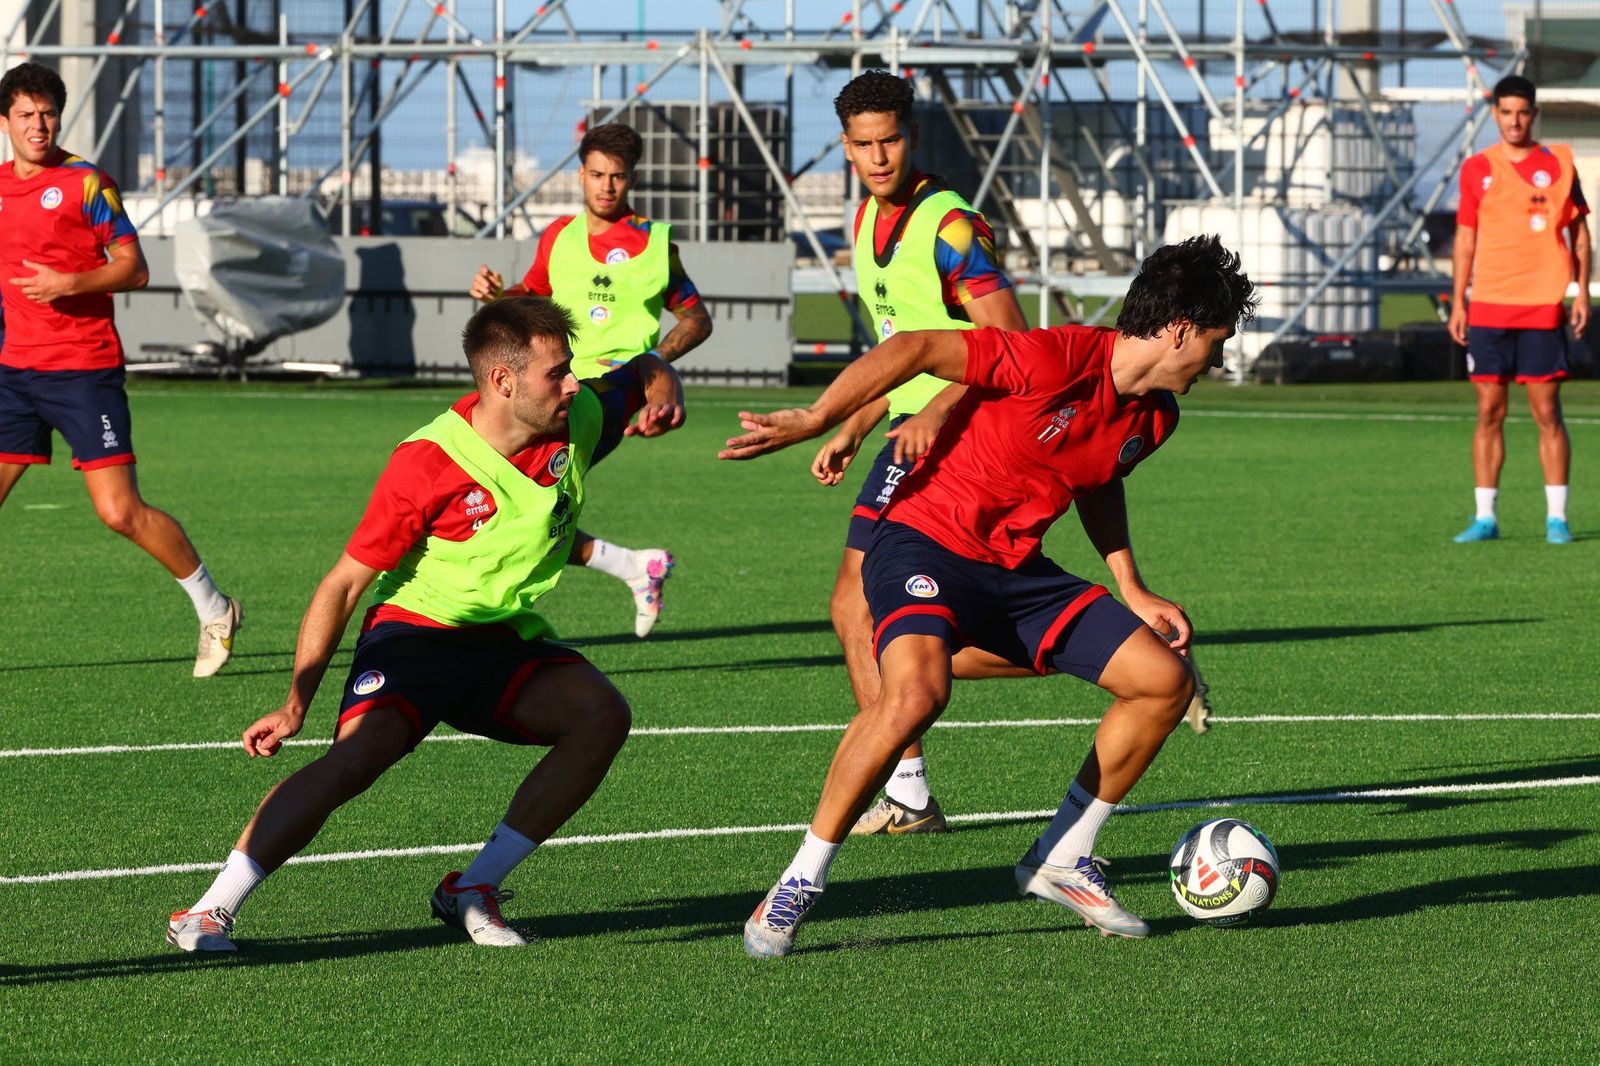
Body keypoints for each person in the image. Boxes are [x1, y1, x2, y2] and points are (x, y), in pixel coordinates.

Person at [721, 235, 1256, 956]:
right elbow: (912, 346)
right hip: (925, 540)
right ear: (1179, 330)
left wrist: (1131, 584)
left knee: (1163, 680)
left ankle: (1062, 858)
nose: (1216, 361)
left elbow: (1099, 478)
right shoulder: (1055, 355)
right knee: (913, 697)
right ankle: (797, 884)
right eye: (1216, 343)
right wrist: (820, 417)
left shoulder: (1156, 417)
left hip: (1017, 572)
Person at [166, 297, 685, 952]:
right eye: (557, 372)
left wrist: (666, 389)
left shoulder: (578, 415)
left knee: (602, 715)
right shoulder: (427, 463)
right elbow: (343, 583)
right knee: (356, 760)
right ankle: (208, 912)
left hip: (499, 638)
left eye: (571, 369)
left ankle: (473, 887)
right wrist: (296, 702)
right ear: (502, 381)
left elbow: (643, 371)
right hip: (415, 634)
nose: (574, 383)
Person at [814, 70, 1029, 836]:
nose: (878, 157)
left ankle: (1118, 648)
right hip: (911, 432)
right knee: (862, 607)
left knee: (868, 606)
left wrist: (940, 410)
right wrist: (857, 422)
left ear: (913, 135)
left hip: (963, 436)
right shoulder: (862, 224)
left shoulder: (951, 228)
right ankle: (906, 785)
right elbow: (905, 354)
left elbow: (1012, 349)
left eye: (891, 140)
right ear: (845, 146)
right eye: (863, 145)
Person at [0, 61, 241, 677]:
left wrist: (68, 282)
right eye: (25, 114)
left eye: (47, 113)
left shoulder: (87, 183)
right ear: (5, 121)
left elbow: (134, 269)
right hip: (14, 373)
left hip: (83, 370)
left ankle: (215, 607)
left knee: (119, 513)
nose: (38, 125)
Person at [469, 122, 713, 636]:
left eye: (618, 177)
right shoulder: (559, 236)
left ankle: (497, 622)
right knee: (511, 498)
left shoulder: (653, 242)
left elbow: (695, 318)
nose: (607, 186)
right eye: (597, 174)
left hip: (609, 392)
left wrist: (651, 364)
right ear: (580, 174)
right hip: (549, 386)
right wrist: (497, 296)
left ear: (632, 179)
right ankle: (632, 566)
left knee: (517, 498)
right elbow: (530, 294)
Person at [1448, 74, 1591, 545]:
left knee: (1546, 411)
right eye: (1506, 112)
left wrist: (1581, 292)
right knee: (1489, 409)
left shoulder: (1560, 164)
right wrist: (1460, 300)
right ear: (1495, 113)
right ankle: (1485, 516)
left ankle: (1557, 518)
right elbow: (1466, 238)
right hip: (1488, 305)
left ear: (1534, 114)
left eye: (1523, 112)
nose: (1515, 121)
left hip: (1542, 304)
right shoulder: (1476, 169)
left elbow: (1580, 234)